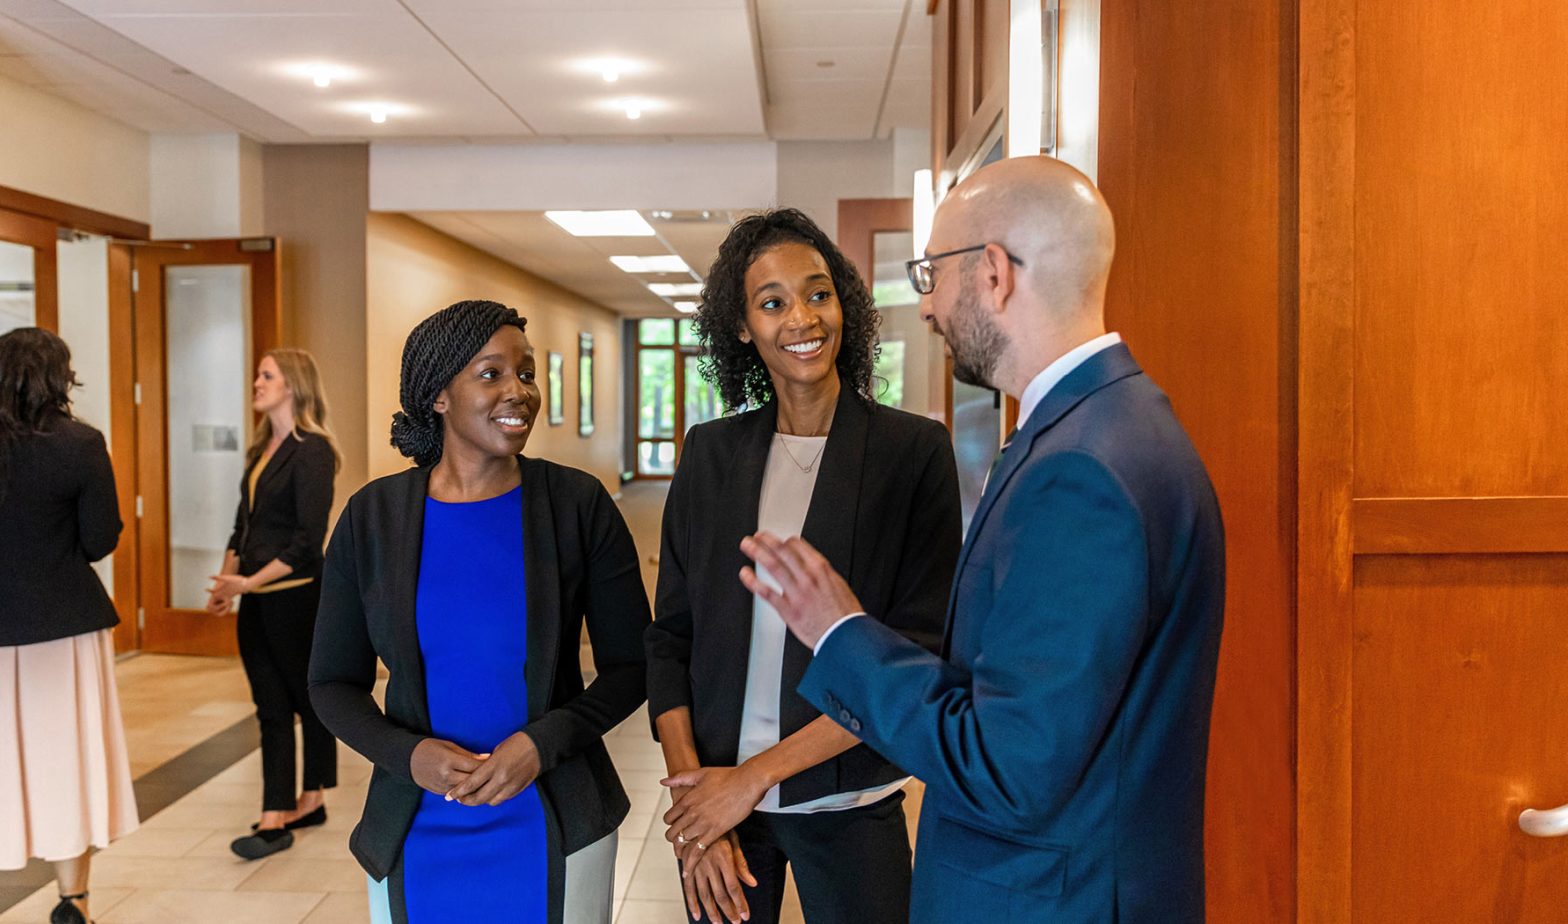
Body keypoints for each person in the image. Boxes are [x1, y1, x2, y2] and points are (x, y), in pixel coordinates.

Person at [739, 156, 1227, 923]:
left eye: (932, 274)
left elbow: (1008, 767)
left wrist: (840, 632)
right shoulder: (1108, 425)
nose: (927, 308)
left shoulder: (1082, 471)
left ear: (993, 272)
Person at [644, 209, 961, 924]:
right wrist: (699, 802)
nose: (802, 318)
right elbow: (670, 638)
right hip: (721, 803)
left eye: (818, 293)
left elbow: (915, 656)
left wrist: (751, 780)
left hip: (849, 803)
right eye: (772, 302)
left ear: (844, 301)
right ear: (741, 326)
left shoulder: (912, 454)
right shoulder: (711, 455)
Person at [309, 300, 651, 924]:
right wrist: (406, 755)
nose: (518, 391)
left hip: (556, 818)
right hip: (415, 824)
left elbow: (633, 665)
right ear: (438, 395)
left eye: (525, 372)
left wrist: (540, 744)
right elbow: (332, 682)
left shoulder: (577, 506)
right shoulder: (372, 519)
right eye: (490, 374)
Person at [0, 327, 136, 924]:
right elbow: (99, 540)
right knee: (61, 755)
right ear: (58, 379)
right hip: (62, 622)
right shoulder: (81, 443)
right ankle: (72, 905)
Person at [204, 348, 341, 860]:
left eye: (267, 375)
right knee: (270, 707)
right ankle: (277, 809)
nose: (257, 382)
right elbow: (243, 526)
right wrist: (228, 582)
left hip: (295, 597)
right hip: (255, 598)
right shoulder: (262, 450)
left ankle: (310, 797)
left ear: (293, 385)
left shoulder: (314, 451)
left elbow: (308, 540)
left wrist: (249, 583)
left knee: (308, 701)